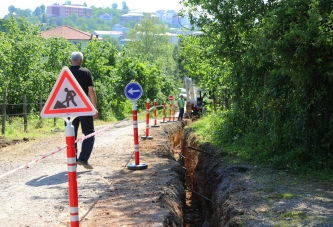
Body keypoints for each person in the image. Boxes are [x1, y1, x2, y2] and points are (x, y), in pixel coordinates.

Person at [69, 52, 98, 169]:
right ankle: (83, 159)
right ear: (81, 61)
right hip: (84, 107)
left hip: (69, 108)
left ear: (71, 61)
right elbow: (91, 91)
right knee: (89, 133)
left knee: (71, 134)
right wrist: (94, 108)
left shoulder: (66, 73)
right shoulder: (86, 72)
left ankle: (72, 160)